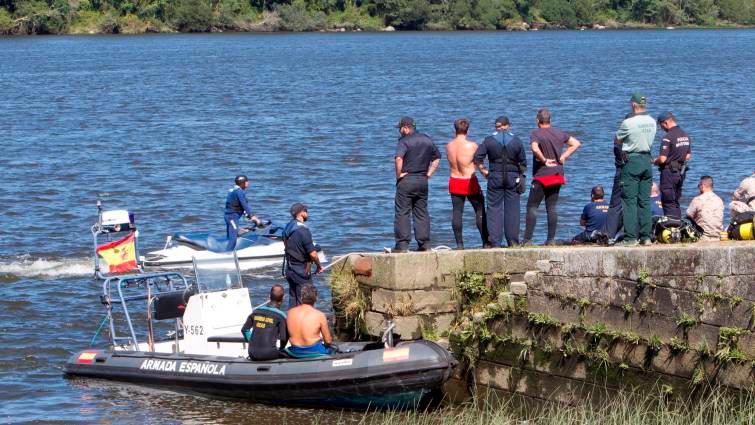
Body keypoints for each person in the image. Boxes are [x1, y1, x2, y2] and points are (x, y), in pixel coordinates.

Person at [522, 109, 582, 245]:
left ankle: (527, 240)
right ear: (550, 120)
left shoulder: (536, 133)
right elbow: (576, 143)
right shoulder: (559, 132)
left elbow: (534, 148)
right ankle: (550, 240)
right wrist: (564, 156)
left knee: (532, 206)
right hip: (557, 174)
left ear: (538, 121)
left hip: (542, 175)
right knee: (551, 207)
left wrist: (543, 160)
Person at [475, 116, 527, 247]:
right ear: (508, 126)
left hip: (495, 176)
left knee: (494, 209)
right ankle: (513, 241)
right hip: (512, 177)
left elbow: (477, 158)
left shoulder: (489, 140)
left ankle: (495, 242)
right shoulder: (516, 140)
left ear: (496, 126)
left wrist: (483, 171)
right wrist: (520, 175)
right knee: (513, 209)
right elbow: (523, 162)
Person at [393, 116, 441, 253]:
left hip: (407, 179)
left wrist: (399, 175)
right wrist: (429, 173)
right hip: (422, 180)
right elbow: (437, 157)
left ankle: (402, 245)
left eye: (400, 128)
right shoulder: (427, 139)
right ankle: (424, 244)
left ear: (406, 127)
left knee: (402, 212)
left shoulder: (404, 141)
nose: (399, 131)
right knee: (421, 212)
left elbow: (398, 159)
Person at [615, 93, 657, 246]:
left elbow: (617, 139)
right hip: (647, 160)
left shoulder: (628, 122)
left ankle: (630, 238)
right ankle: (646, 237)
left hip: (632, 161)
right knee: (645, 200)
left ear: (633, 105)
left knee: (629, 200)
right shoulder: (652, 122)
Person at [446, 118, 488, 249]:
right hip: (468, 180)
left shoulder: (449, 146)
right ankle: (485, 242)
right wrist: (485, 174)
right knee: (480, 209)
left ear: (455, 130)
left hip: (454, 179)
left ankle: (459, 244)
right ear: (467, 130)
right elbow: (479, 163)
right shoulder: (472, 146)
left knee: (457, 212)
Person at [283, 203, 322, 308]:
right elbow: (313, 254)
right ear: (302, 213)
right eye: (306, 211)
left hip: (289, 269)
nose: (307, 213)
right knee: (305, 303)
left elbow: (288, 246)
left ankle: (291, 323)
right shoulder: (304, 230)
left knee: (293, 300)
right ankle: (304, 324)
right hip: (301, 272)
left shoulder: (288, 226)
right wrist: (319, 265)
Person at [654, 112, 692, 219]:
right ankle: (678, 226)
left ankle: (671, 228)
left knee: (668, 202)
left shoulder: (668, 137)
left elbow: (662, 159)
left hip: (669, 173)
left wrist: (654, 161)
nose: (662, 129)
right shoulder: (685, 135)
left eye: (661, 126)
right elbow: (688, 156)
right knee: (675, 201)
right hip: (681, 172)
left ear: (665, 122)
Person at [241, 284, 288, 361]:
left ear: (269, 296)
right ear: (283, 298)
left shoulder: (255, 312)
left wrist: (251, 342)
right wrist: (281, 349)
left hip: (252, 353)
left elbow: (244, 330)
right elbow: (283, 338)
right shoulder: (281, 316)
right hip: (269, 354)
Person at [286, 284, 334, 358]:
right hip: (314, 351)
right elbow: (328, 341)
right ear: (315, 299)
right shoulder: (320, 315)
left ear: (301, 298)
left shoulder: (290, 312)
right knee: (333, 350)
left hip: (295, 351)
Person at [224, 175, 261, 251]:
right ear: (243, 183)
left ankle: (227, 250)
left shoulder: (233, 190)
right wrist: (252, 216)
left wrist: (247, 215)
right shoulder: (239, 192)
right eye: (247, 181)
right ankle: (227, 255)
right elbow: (245, 205)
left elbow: (237, 205)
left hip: (229, 216)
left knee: (231, 236)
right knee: (233, 239)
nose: (248, 183)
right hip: (232, 217)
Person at [686, 176, 724, 241]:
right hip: (718, 236)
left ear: (702, 186)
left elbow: (688, 215)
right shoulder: (719, 200)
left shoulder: (698, 199)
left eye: (698, 186)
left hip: (703, 236)